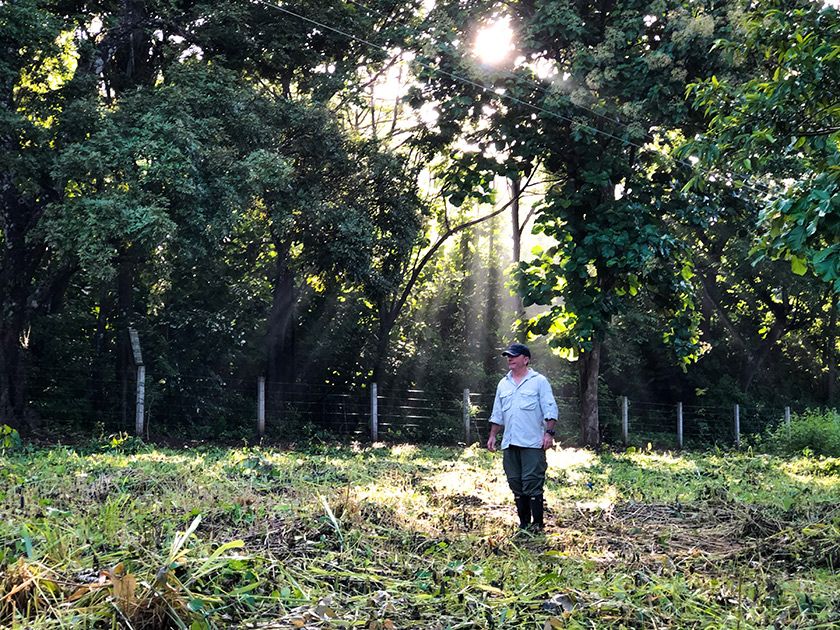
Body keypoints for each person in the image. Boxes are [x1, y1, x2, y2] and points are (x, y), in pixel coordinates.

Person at [487, 343, 558, 531]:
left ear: (525, 359)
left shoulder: (539, 381)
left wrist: (549, 433)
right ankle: (524, 524)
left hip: (532, 442)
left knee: (532, 482)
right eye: (508, 356)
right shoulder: (503, 384)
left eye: (514, 356)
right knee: (515, 482)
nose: (510, 359)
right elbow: (497, 413)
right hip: (509, 442)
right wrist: (493, 435)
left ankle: (537, 524)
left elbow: (550, 408)